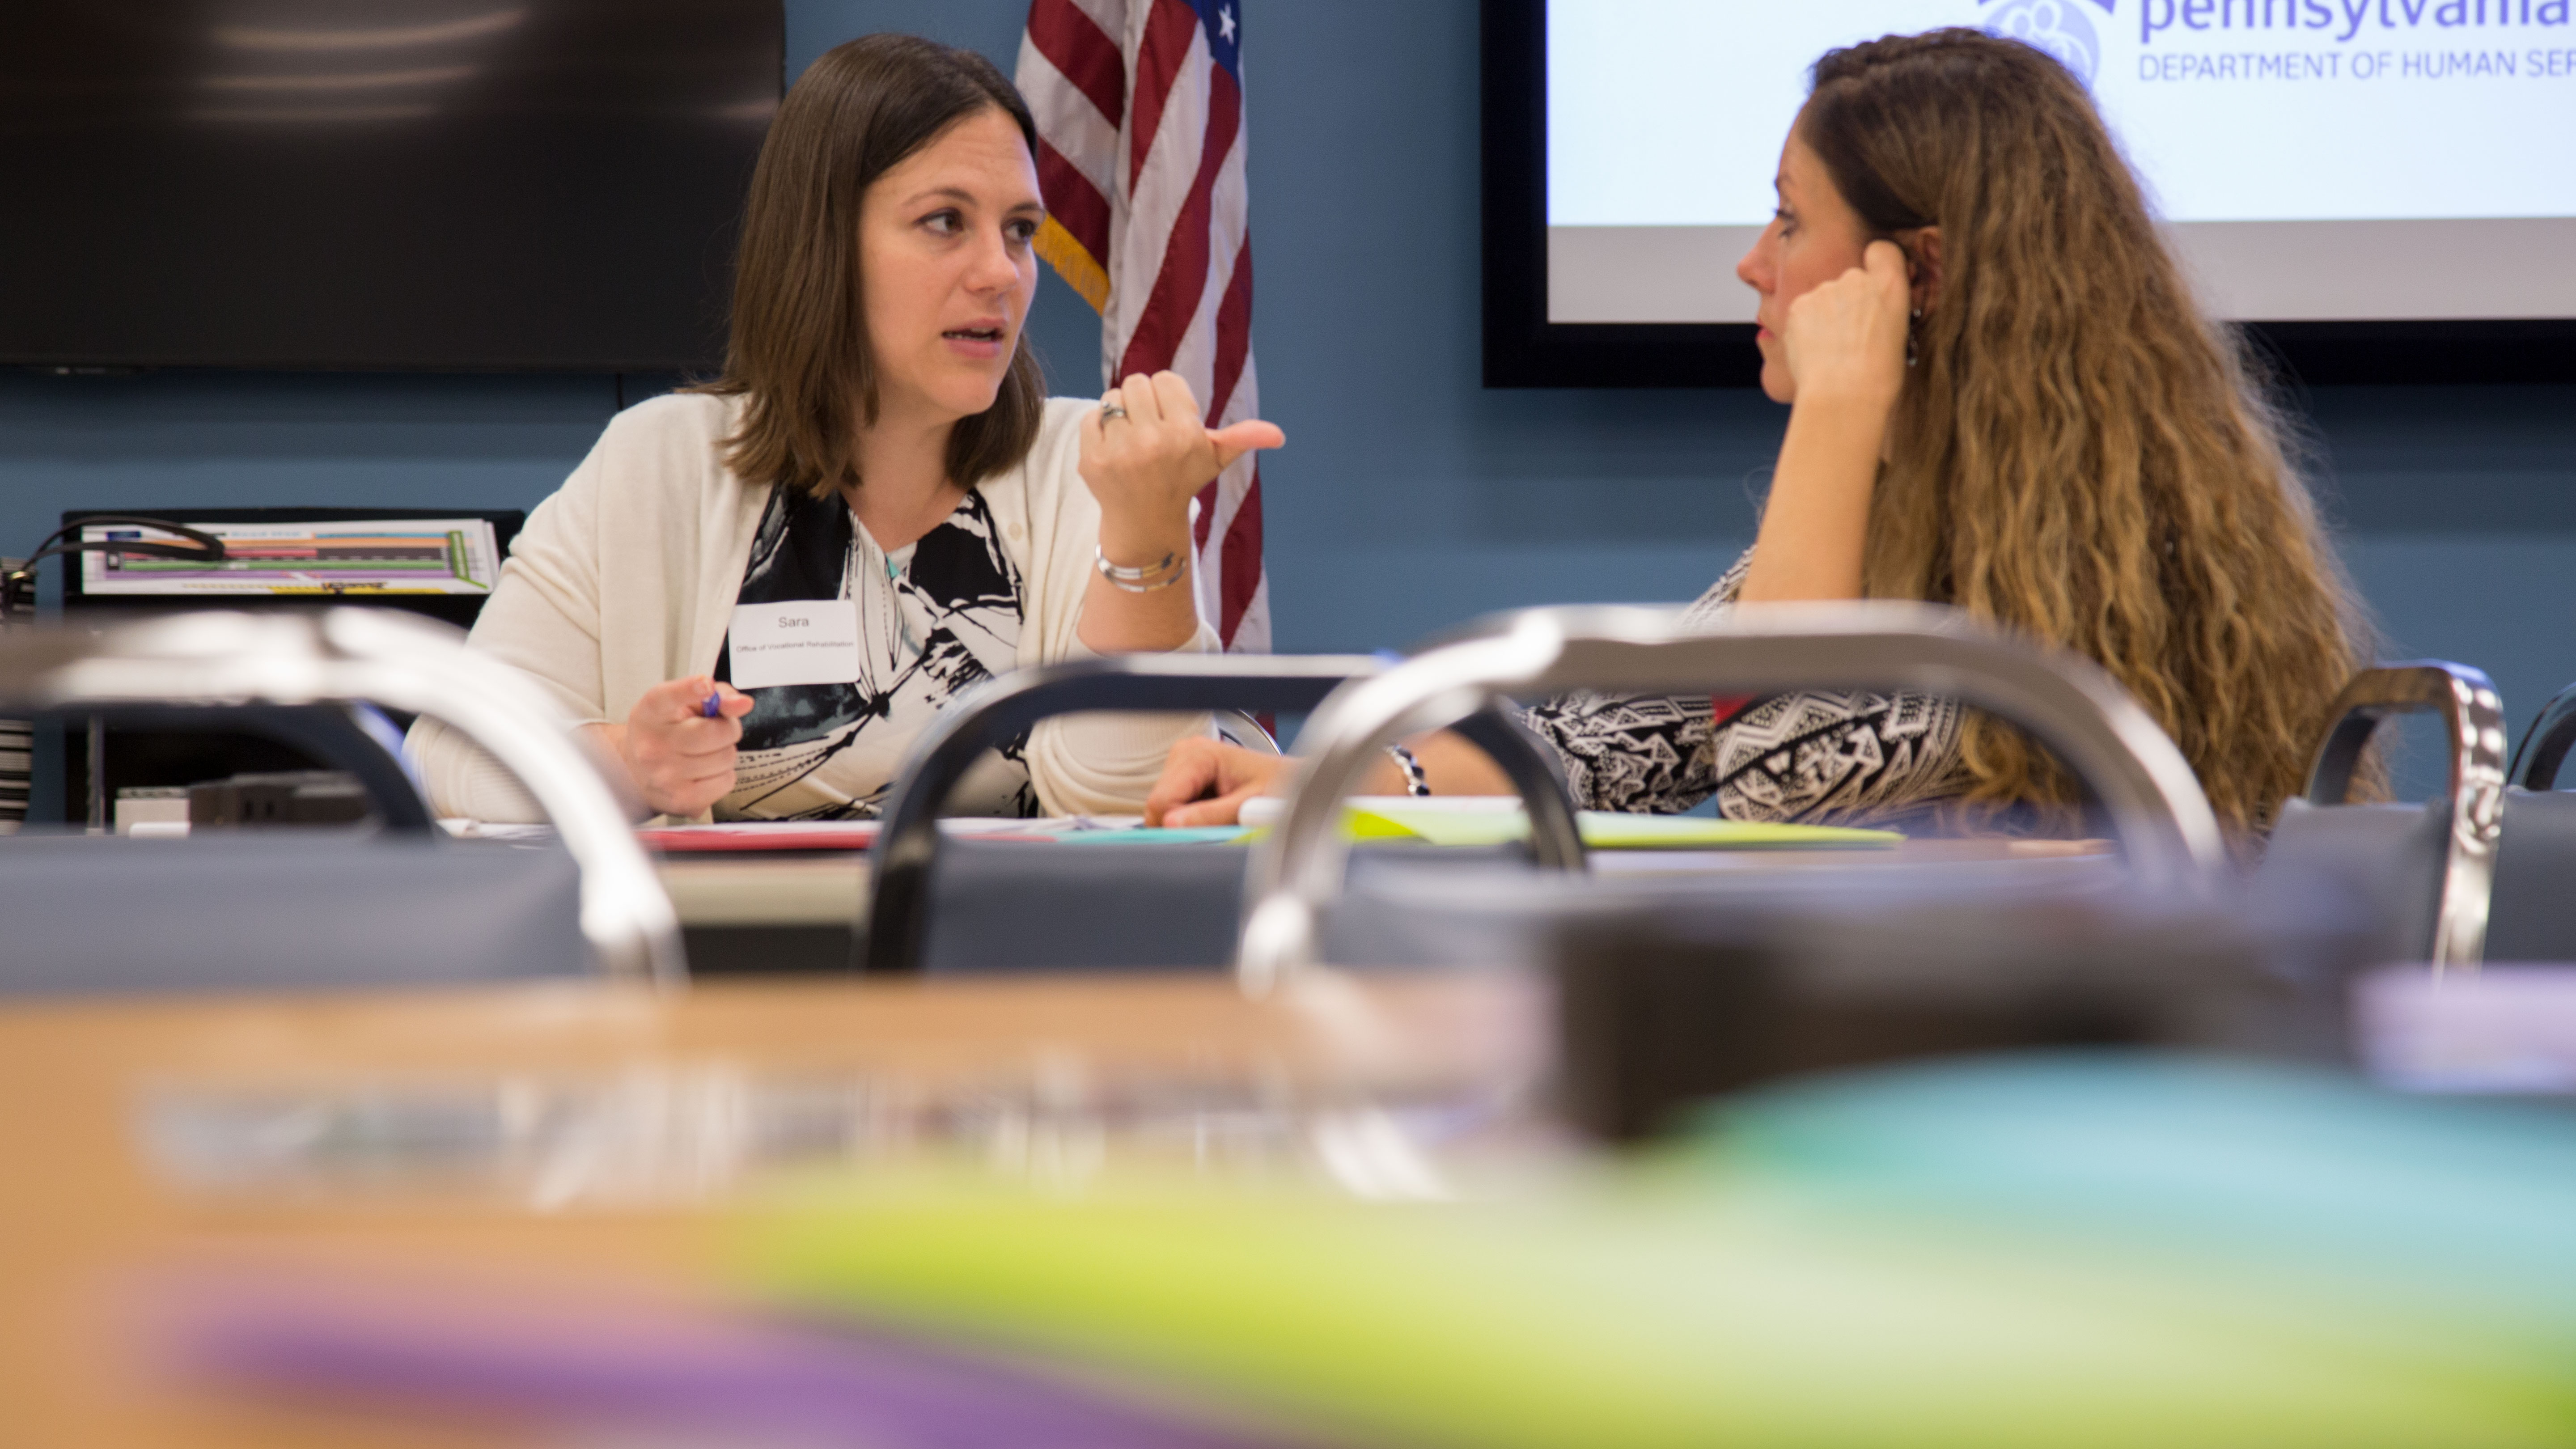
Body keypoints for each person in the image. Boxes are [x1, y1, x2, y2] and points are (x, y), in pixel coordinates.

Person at [1149, 28, 2363, 842]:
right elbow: (1616, 738)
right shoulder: (1908, 498)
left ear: (1919, 272)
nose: (1751, 263)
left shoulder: (2099, 546)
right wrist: (1327, 781)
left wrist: (1837, 410)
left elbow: (1784, 787)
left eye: (1789, 223)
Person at [412, 34, 1281, 822]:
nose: (1002, 273)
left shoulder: (1089, 465)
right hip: (721, 972)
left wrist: (1145, 540)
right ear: (822, 240)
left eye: (1019, 231)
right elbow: (448, 756)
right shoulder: (657, 462)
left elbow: (1125, 801)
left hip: (1008, 965)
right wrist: (630, 765)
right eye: (946, 221)